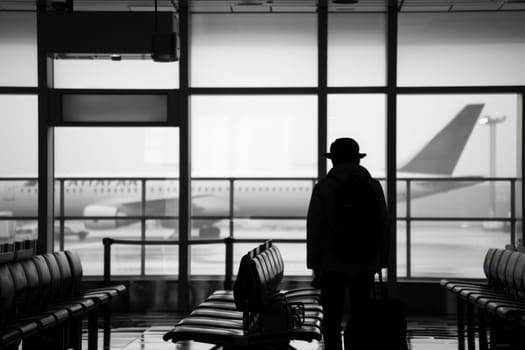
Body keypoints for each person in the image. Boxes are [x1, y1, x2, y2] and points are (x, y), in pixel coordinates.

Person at [306, 137, 390, 350]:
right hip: (365, 260)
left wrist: (315, 265)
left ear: (333, 160)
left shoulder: (324, 187)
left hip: (332, 263)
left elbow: (316, 228)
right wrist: (381, 260)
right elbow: (383, 224)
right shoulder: (372, 185)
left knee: (332, 317)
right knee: (362, 315)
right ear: (357, 159)